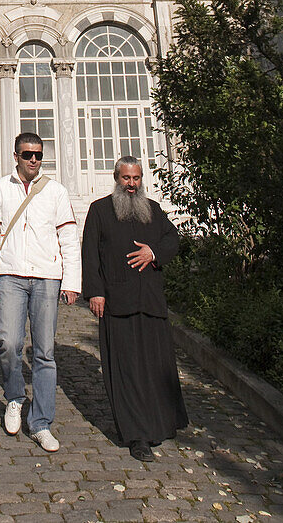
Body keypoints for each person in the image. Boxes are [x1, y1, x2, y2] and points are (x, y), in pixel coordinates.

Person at [0, 132, 81, 453]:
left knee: (44, 351)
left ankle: (40, 422)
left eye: (38, 155)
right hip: (10, 275)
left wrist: (72, 281)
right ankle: (15, 397)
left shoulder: (56, 192)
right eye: (27, 154)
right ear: (16, 156)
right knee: (8, 342)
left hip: (47, 277)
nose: (34, 160)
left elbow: (68, 238)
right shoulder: (0, 189)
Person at [81, 158, 188, 461]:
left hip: (151, 302)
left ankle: (160, 424)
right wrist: (96, 293)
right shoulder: (100, 211)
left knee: (155, 368)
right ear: (116, 179)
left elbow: (172, 239)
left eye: (137, 178)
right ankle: (136, 435)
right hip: (117, 303)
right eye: (126, 178)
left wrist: (153, 252)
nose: (132, 184)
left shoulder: (152, 210)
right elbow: (89, 254)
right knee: (126, 371)